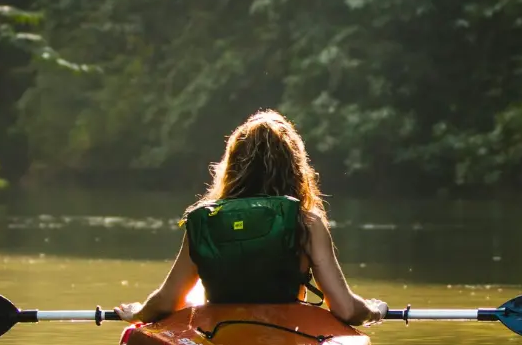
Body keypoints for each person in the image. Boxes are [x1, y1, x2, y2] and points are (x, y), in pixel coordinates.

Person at [116, 110, 386, 326]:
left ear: (232, 165)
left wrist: (139, 313)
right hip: (287, 334)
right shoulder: (307, 223)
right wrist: (373, 310)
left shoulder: (207, 220)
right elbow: (346, 309)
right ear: (295, 168)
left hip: (218, 334)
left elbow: (167, 301)